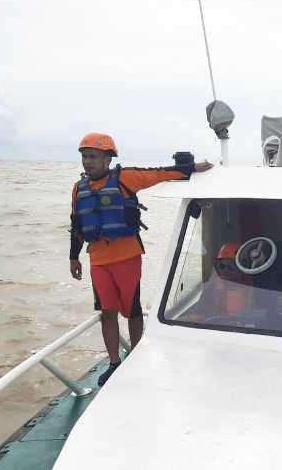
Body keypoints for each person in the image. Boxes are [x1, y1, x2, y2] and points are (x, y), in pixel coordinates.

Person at [69, 132, 212, 386]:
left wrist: (191, 168)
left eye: (93, 156)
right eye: (84, 157)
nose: (87, 162)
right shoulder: (79, 188)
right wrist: (74, 257)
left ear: (108, 159)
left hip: (128, 257)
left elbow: (157, 174)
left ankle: (135, 359)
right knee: (107, 312)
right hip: (98, 261)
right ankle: (114, 362)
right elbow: (77, 223)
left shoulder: (125, 178)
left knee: (132, 309)